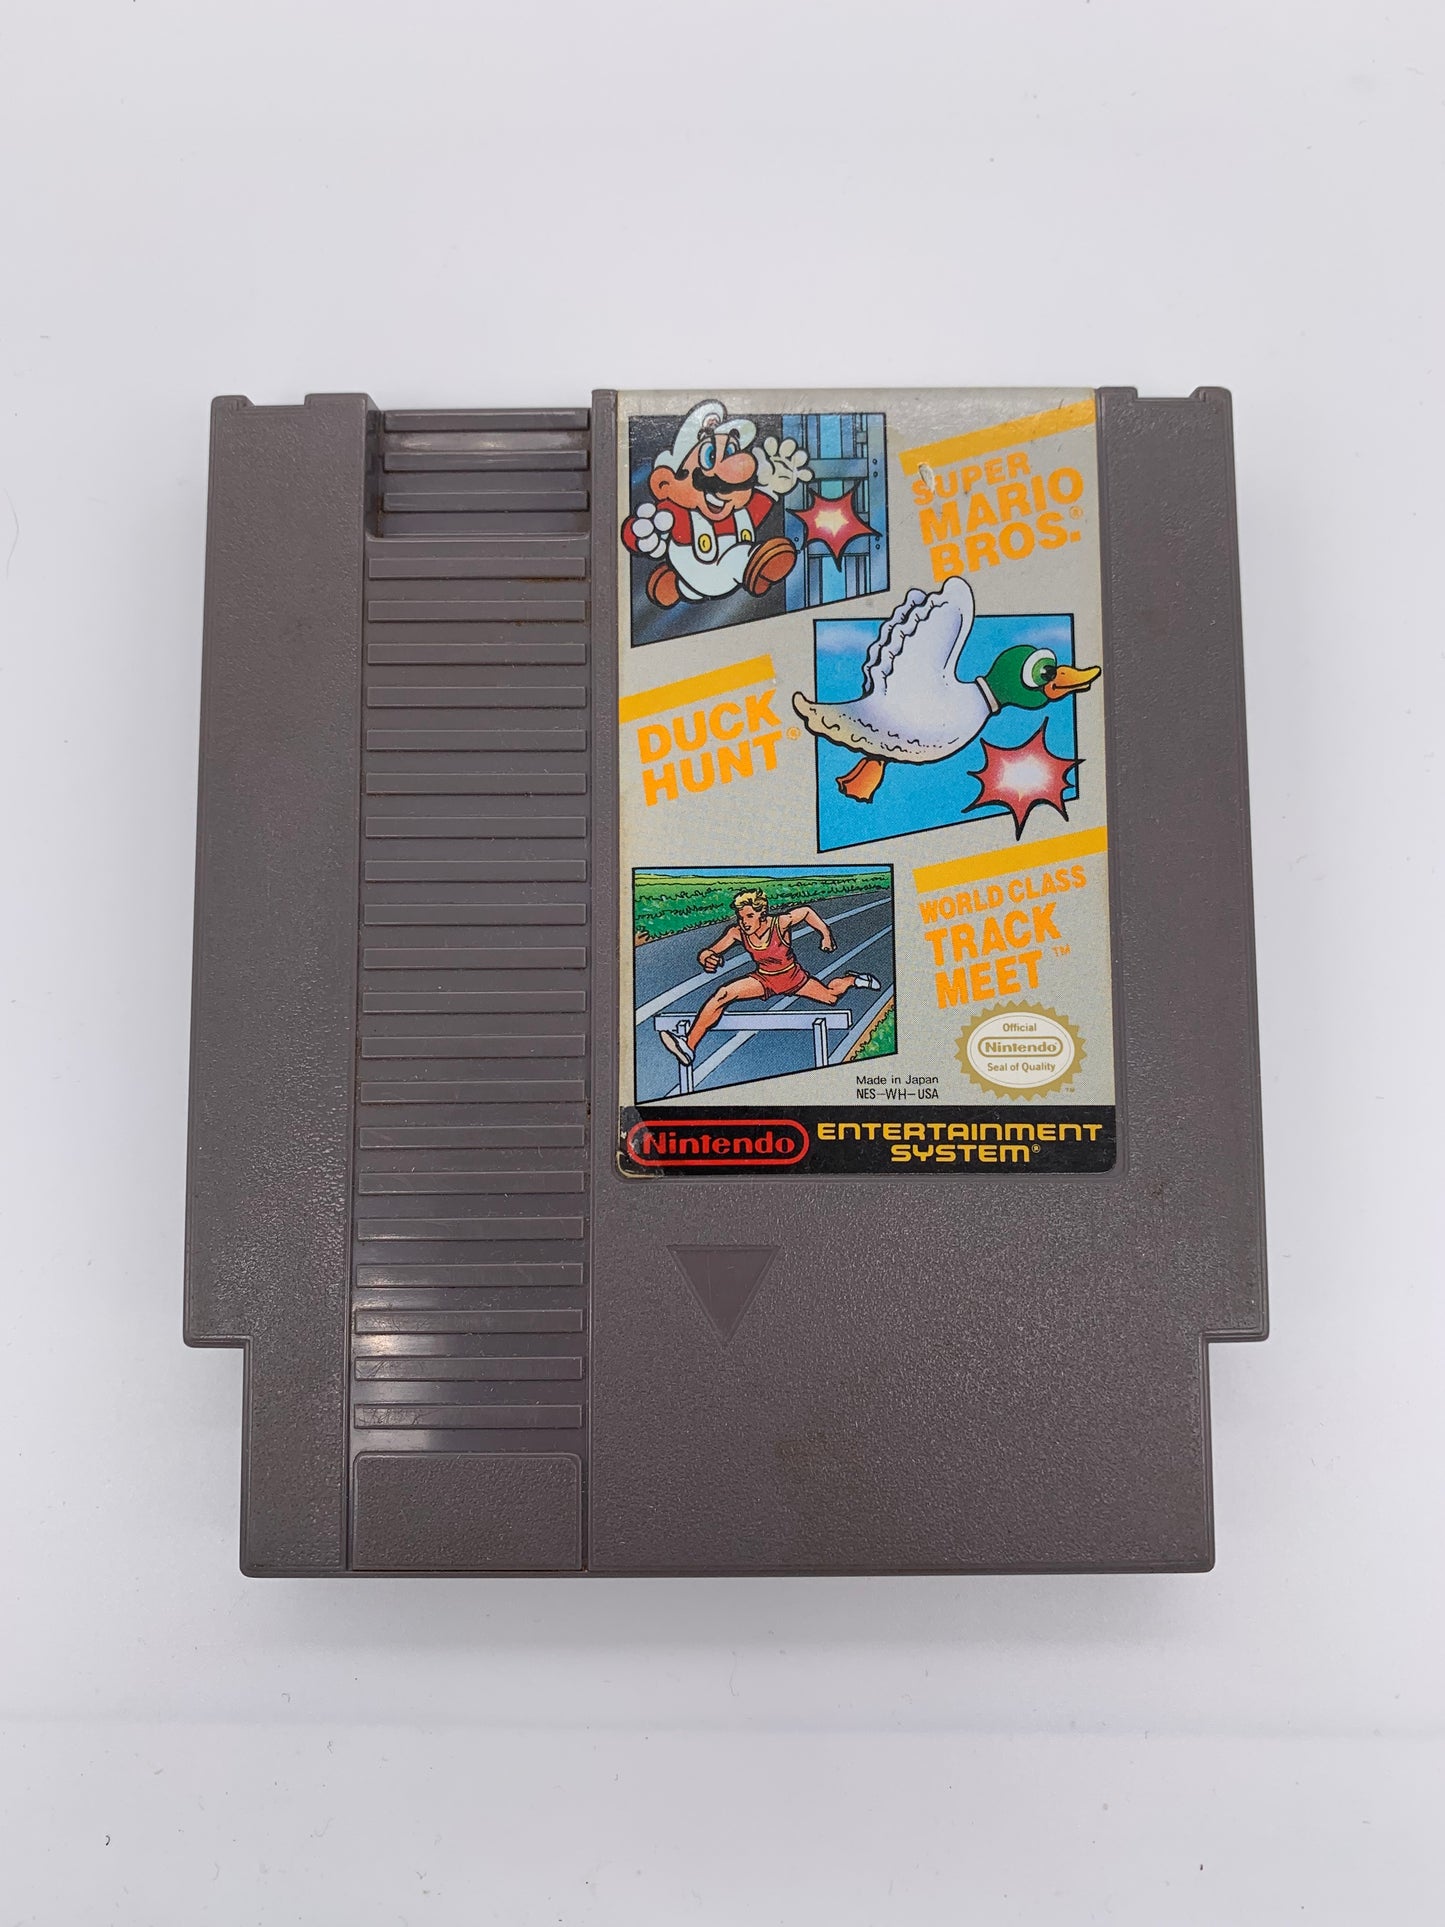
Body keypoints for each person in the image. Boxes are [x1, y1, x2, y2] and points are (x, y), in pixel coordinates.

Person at [621, 399, 813, 609]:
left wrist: (772, 486)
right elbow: (638, 531)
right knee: (736, 558)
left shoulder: (739, 514)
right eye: (710, 456)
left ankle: (677, 586)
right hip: (713, 570)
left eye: (731, 451)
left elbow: (756, 511)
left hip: (699, 581)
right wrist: (643, 533)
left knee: (692, 589)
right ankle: (755, 564)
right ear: (665, 483)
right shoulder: (677, 515)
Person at [659, 888, 881, 1068]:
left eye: (749, 916)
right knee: (724, 994)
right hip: (764, 980)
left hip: (793, 977)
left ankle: (851, 979)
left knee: (831, 997)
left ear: (761, 914)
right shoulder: (737, 932)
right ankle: (689, 1046)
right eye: (741, 917)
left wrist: (825, 934)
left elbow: (806, 912)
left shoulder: (780, 923)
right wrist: (707, 958)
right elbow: (709, 951)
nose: (745, 922)